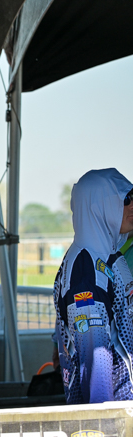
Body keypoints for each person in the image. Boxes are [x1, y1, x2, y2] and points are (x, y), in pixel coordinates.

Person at [53, 168, 133, 404]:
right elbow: (95, 361)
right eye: (126, 199)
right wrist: (105, 422)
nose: (132, 206)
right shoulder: (85, 271)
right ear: (100, 206)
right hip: (115, 414)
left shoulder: (109, 255)